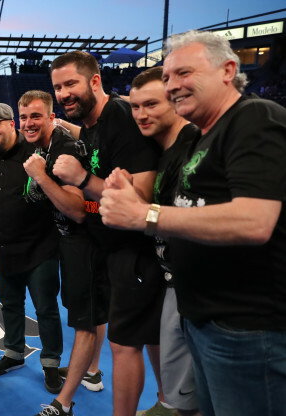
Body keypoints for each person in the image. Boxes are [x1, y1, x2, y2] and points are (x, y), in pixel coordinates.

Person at [99, 30, 286, 416]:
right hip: (201, 315)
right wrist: (129, 197)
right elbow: (190, 209)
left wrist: (143, 214)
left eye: (184, 73)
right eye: (167, 77)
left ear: (228, 70)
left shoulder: (254, 118)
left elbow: (255, 221)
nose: (172, 86)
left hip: (247, 326)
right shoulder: (201, 137)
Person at [49, 51, 165, 416]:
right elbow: (95, 139)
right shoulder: (95, 124)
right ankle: (169, 401)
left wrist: (82, 179)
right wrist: (62, 127)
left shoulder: (120, 116)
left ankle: (168, 402)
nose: (64, 93)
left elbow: (141, 199)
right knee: (145, 338)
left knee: (125, 344)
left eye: (71, 84)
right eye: (57, 87)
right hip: (110, 247)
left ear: (95, 81)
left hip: (133, 250)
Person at [15, 91, 104, 416]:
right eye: (23, 117)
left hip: (87, 241)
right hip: (71, 242)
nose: (28, 123)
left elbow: (79, 210)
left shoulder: (64, 148)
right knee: (91, 312)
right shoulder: (47, 145)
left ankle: (62, 403)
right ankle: (91, 371)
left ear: (51, 117)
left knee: (84, 319)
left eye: (36, 116)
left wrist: (39, 176)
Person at [0, 102, 64, 393]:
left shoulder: (37, 152)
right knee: (10, 306)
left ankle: (51, 363)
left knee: (46, 309)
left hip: (41, 248)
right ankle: (13, 354)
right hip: (2, 247)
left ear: (11, 123)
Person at [128, 67, 201, 416]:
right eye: (136, 106)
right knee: (179, 395)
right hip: (173, 282)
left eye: (152, 104)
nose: (142, 114)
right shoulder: (165, 149)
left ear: (175, 101)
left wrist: (141, 214)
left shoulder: (198, 145)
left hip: (203, 292)